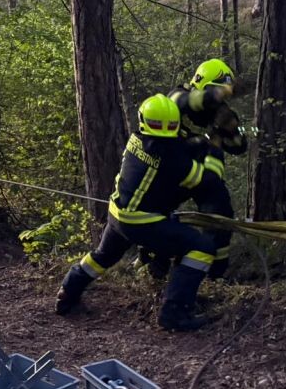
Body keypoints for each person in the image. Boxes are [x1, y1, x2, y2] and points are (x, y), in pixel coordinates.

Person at [55, 94, 232, 332]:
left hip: (117, 213)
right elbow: (206, 181)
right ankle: (174, 313)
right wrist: (213, 154)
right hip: (142, 222)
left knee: (103, 257)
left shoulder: (136, 138)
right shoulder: (168, 155)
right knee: (202, 249)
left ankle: (68, 290)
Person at [143, 58, 243, 281]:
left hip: (203, 177)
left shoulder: (221, 112)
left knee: (221, 214)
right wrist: (218, 95)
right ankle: (154, 264)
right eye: (215, 91)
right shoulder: (177, 96)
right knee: (158, 214)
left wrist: (230, 129)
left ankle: (216, 273)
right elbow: (188, 101)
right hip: (171, 172)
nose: (219, 99)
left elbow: (239, 147)